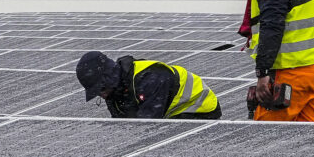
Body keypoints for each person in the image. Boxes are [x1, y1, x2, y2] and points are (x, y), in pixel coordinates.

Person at [74, 51, 219, 119]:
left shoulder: (150, 78)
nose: (102, 95)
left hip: (200, 111)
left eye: (101, 88)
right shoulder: (114, 90)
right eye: (97, 92)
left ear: (109, 78)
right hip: (174, 114)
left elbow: (147, 124)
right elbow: (121, 125)